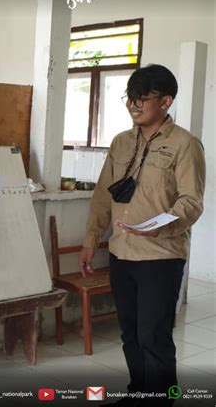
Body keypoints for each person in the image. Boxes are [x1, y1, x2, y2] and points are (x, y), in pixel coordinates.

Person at [79, 65, 205, 406]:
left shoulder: (185, 144)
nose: (134, 105)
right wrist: (91, 241)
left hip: (160, 256)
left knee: (154, 336)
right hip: (122, 253)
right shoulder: (121, 142)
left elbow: (191, 202)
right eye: (130, 98)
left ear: (166, 101)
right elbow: (103, 197)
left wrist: (160, 225)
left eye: (142, 98)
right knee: (131, 333)